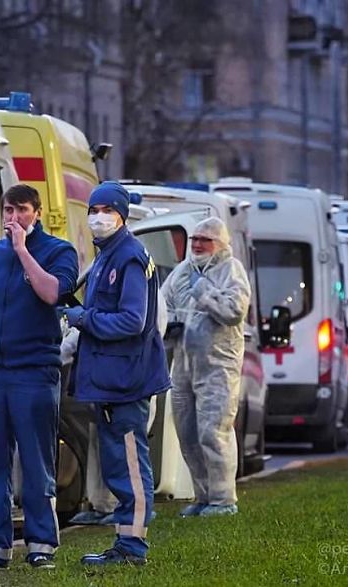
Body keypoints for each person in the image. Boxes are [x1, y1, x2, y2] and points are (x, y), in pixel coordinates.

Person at [0, 184, 79, 571]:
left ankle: (41, 542)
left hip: (33, 369)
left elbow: (53, 293)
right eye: (8, 210)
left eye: (21, 210)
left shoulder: (58, 252)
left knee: (36, 459)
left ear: (38, 213)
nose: (13, 218)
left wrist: (24, 250)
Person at [64, 181, 171, 566]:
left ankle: (133, 546)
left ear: (121, 215)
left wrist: (83, 318)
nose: (98, 217)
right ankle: (124, 542)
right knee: (116, 463)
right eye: (94, 210)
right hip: (110, 381)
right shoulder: (107, 255)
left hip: (127, 380)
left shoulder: (129, 256)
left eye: (106, 210)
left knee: (129, 463)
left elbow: (131, 320)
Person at [160, 216, 251, 517]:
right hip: (185, 362)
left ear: (220, 244)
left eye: (205, 240)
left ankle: (224, 499)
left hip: (218, 365)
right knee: (187, 432)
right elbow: (164, 304)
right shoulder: (183, 272)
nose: (197, 244)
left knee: (214, 431)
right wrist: (168, 326)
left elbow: (234, 311)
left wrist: (204, 293)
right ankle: (202, 496)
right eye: (195, 239)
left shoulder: (231, 270)